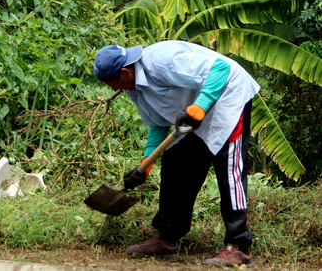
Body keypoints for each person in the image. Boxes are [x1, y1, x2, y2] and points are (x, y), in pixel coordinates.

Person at [93, 40, 260, 268]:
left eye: (112, 83)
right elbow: (157, 124)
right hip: (193, 113)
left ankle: (239, 246)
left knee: (228, 171)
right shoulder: (133, 87)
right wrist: (145, 165)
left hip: (227, 98)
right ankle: (167, 238)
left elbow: (221, 68)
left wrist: (200, 107)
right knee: (175, 163)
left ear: (124, 72)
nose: (113, 89)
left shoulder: (162, 61)